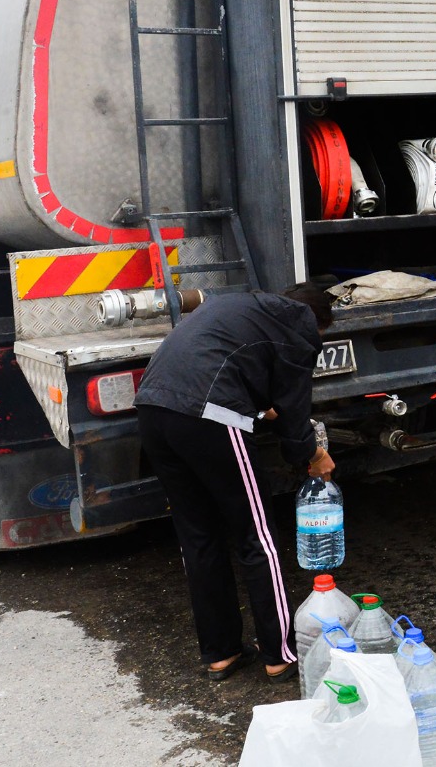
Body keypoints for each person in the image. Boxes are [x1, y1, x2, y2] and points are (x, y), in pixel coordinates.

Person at [134, 283, 338, 682]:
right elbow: (296, 418)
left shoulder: (241, 306)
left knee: (199, 536)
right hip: (209, 415)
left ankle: (221, 653)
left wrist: (261, 408)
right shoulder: (299, 325)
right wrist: (314, 455)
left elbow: (226, 361)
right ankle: (280, 654)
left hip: (153, 410)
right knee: (256, 535)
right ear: (316, 320)